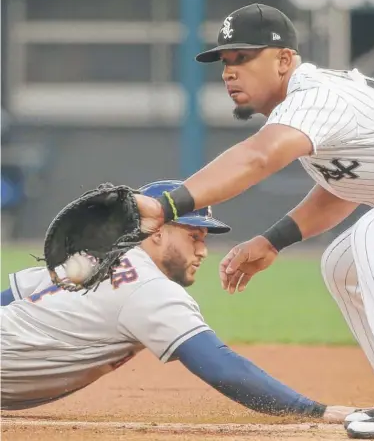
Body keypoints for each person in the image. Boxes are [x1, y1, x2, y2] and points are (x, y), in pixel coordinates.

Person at [128, 4, 374, 439]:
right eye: (226, 62)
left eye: (243, 58)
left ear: (284, 60)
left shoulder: (315, 95)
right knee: (344, 265)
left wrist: (167, 205)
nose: (230, 72)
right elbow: (344, 187)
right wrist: (273, 239)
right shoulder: (308, 109)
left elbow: (257, 157)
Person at [0, 179, 354, 423]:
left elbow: (9, 299)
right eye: (193, 236)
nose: (203, 250)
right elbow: (221, 367)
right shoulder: (150, 289)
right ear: (154, 232)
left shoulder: (95, 258)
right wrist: (312, 411)